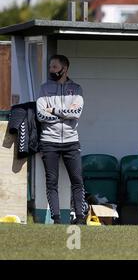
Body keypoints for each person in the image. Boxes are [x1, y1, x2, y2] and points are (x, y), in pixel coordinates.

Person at [36, 54, 88, 224]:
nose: (51, 70)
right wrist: (63, 115)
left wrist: (54, 111)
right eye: (50, 67)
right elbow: (40, 114)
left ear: (64, 69)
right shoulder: (44, 88)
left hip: (71, 142)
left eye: (54, 67)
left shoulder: (77, 89)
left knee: (77, 181)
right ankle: (56, 219)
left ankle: (80, 218)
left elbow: (76, 113)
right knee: (51, 182)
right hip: (48, 141)